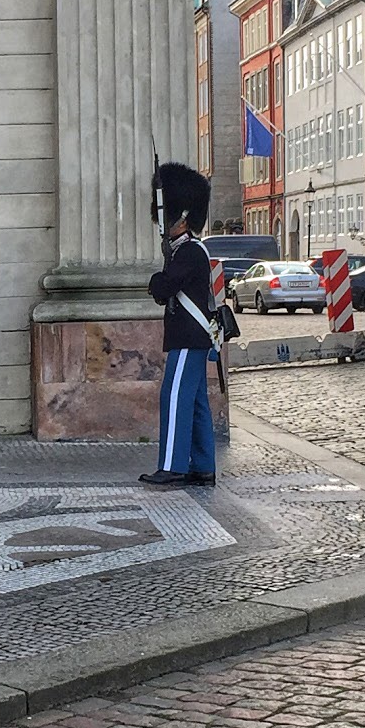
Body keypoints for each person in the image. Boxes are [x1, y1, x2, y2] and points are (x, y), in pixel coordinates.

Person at [142, 162, 218, 488]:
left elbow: (164, 288)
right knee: (197, 402)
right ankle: (202, 466)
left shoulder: (188, 252)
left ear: (183, 217)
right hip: (192, 337)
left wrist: (155, 281)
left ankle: (172, 465)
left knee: (173, 397)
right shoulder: (183, 250)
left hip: (189, 337)